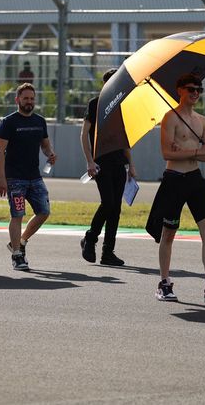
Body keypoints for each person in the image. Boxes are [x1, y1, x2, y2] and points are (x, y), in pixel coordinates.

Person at [150, 73, 205, 303]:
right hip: (174, 179)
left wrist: (189, 152)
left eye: (199, 89)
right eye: (190, 89)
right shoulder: (170, 118)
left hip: (195, 179)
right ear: (179, 90)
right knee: (169, 233)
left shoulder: (202, 121)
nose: (195, 93)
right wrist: (197, 150)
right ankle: (164, 283)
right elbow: (167, 154)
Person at [0, 83, 56, 270]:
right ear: (17, 100)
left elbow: (45, 145)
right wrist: (2, 178)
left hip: (35, 177)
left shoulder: (40, 121)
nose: (29, 102)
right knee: (18, 215)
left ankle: (21, 242)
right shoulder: (8, 122)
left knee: (44, 211)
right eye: (25, 98)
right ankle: (17, 256)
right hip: (15, 180)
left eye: (31, 99)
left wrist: (50, 153)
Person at [80, 68, 136, 266]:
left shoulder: (123, 106)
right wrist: (89, 160)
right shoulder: (95, 104)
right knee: (108, 203)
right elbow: (84, 135)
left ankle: (108, 252)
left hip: (119, 163)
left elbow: (124, 139)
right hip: (101, 162)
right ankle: (90, 238)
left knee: (116, 209)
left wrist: (131, 165)